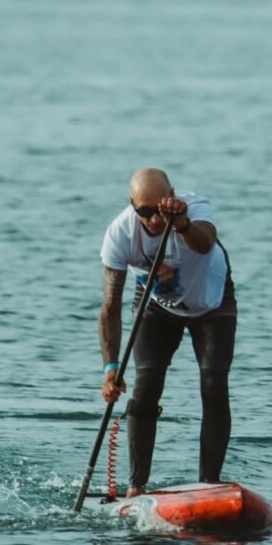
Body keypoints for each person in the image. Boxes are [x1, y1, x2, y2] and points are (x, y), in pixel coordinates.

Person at [98, 168, 238, 498]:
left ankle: (210, 484)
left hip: (212, 304)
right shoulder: (120, 233)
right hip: (156, 306)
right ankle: (136, 487)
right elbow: (110, 307)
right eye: (144, 212)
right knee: (146, 386)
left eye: (159, 210)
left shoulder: (195, 208)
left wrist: (182, 224)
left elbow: (204, 244)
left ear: (171, 196)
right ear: (132, 204)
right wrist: (110, 368)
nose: (153, 220)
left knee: (213, 385)